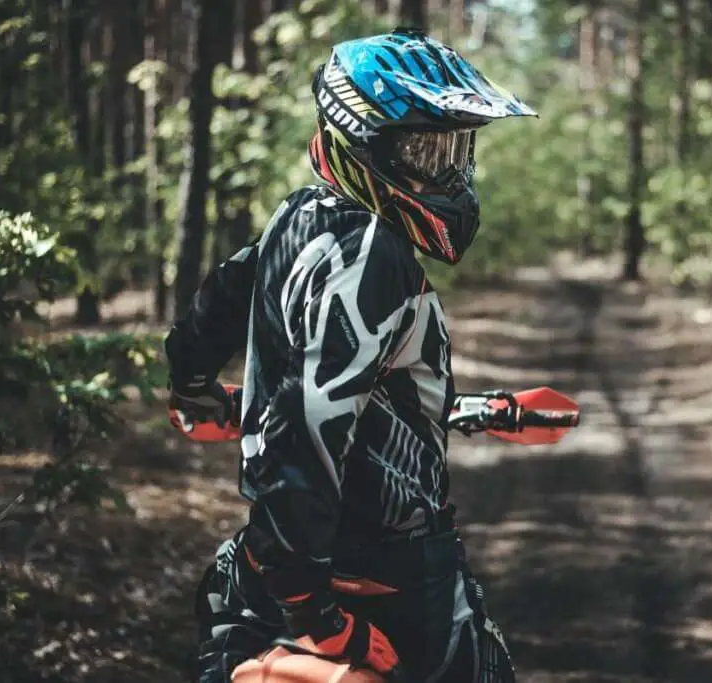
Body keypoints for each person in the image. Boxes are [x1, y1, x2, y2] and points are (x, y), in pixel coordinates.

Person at [164, 28, 536, 683]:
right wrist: (318, 616)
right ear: (361, 142)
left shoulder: (299, 223)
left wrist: (196, 388)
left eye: (453, 150)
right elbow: (302, 439)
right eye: (424, 151)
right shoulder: (376, 261)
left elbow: (216, 304)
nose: (446, 171)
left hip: (277, 569)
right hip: (380, 581)